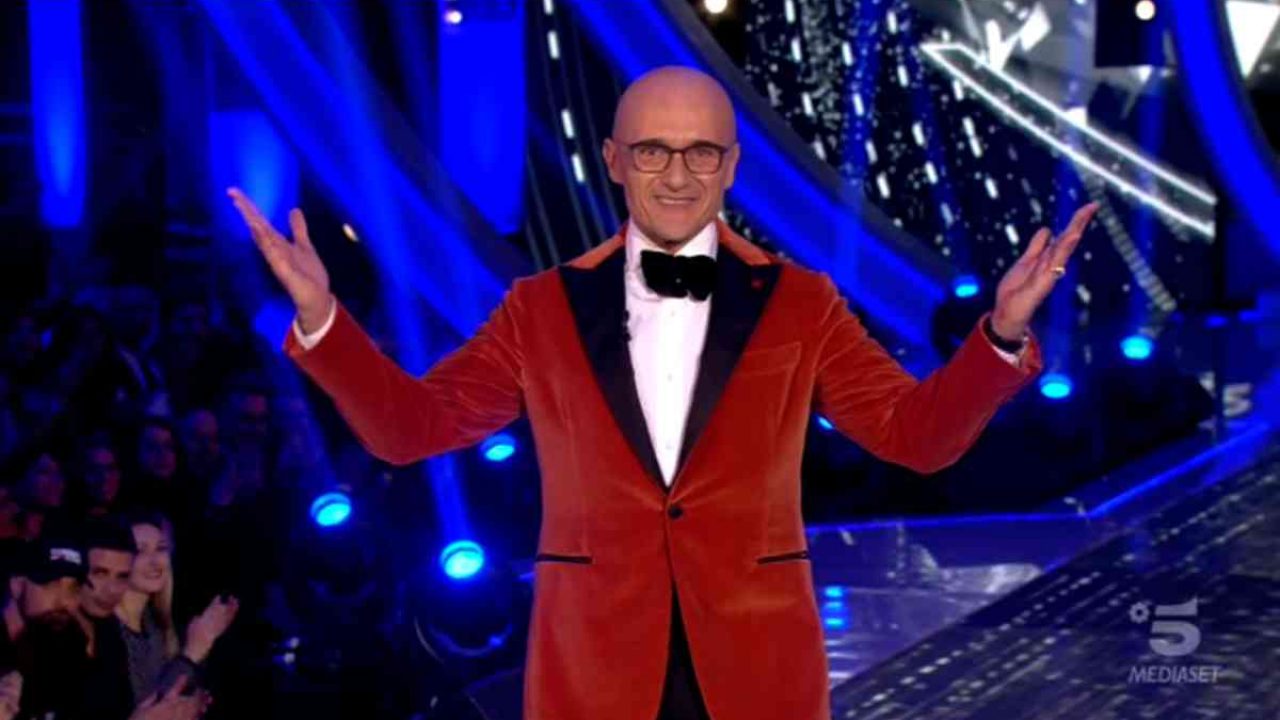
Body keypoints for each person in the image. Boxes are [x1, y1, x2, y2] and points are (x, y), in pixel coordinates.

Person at [229, 65, 1097, 720]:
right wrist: (323, 321)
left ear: (731, 166)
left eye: (700, 152)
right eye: (652, 151)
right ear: (614, 160)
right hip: (594, 667)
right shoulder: (542, 308)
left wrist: (1000, 336)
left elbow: (917, 436)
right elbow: (410, 430)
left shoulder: (801, 303)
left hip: (756, 666)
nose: (677, 175)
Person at [114, 514, 238, 711]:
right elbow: (150, 711)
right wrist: (194, 651)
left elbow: (167, 691)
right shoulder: (110, 631)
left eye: (161, 548)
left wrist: (191, 700)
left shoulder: (154, 624)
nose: (155, 561)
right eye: (140, 551)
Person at [0, 536, 90, 719]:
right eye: (50, 585)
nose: (64, 602)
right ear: (17, 586)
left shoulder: (69, 644)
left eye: (73, 589)